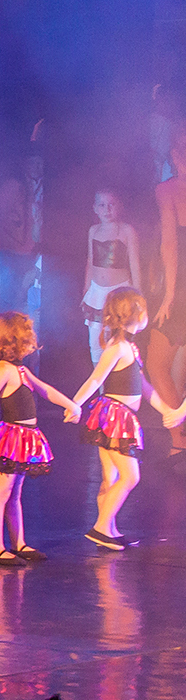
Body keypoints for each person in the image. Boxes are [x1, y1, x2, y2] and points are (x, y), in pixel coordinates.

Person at [70, 290, 186, 550]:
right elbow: (96, 379)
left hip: (119, 416)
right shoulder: (118, 347)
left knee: (110, 478)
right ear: (135, 314)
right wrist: (74, 403)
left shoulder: (130, 347)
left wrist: (167, 410)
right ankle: (101, 528)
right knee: (130, 477)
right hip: (115, 417)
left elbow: (144, 388)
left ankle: (108, 529)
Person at [0, 312, 79, 566]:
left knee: (15, 494)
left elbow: (44, 389)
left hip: (24, 438)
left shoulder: (21, 370)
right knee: (1, 494)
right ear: (12, 342)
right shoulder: (3, 370)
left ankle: (18, 542)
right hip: (10, 439)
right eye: (27, 340)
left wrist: (71, 404)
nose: (32, 345)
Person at [151, 124, 186, 453]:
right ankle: (179, 443)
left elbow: (170, 244)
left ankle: (180, 440)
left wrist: (170, 295)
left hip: (182, 283)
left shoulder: (169, 190)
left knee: (156, 364)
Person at [81, 189, 139, 364]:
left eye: (111, 205)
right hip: (97, 293)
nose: (107, 209)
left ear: (119, 206)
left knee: (117, 341)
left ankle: (119, 377)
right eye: (102, 205)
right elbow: (90, 260)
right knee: (95, 343)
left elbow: (135, 264)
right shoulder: (93, 230)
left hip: (119, 292)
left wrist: (138, 295)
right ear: (95, 208)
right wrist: (86, 290)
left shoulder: (127, 230)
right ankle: (99, 380)